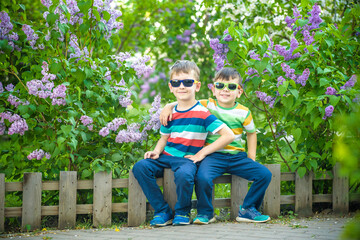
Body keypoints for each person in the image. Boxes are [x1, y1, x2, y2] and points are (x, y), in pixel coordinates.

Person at [160, 67, 272, 224]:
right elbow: (186, 101)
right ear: (213, 89)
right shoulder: (207, 105)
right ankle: (206, 213)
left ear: (239, 92)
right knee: (202, 177)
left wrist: (251, 157)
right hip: (212, 156)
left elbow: (252, 133)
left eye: (231, 87)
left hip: (237, 156)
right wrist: (168, 106)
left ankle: (248, 209)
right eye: (220, 86)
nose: (225, 90)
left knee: (264, 175)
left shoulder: (244, 112)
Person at [132, 60, 234, 227]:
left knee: (185, 176)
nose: (182, 86)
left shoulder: (203, 114)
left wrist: (202, 153)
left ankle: (182, 212)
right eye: (176, 82)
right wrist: (156, 152)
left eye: (187, 82)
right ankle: (163, 211)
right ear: (171, 87)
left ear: (197, 86)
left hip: (187, 159)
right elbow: (164, 138)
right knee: (140, 167)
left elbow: (228, 135)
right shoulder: (169, 113)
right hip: (167, 156)